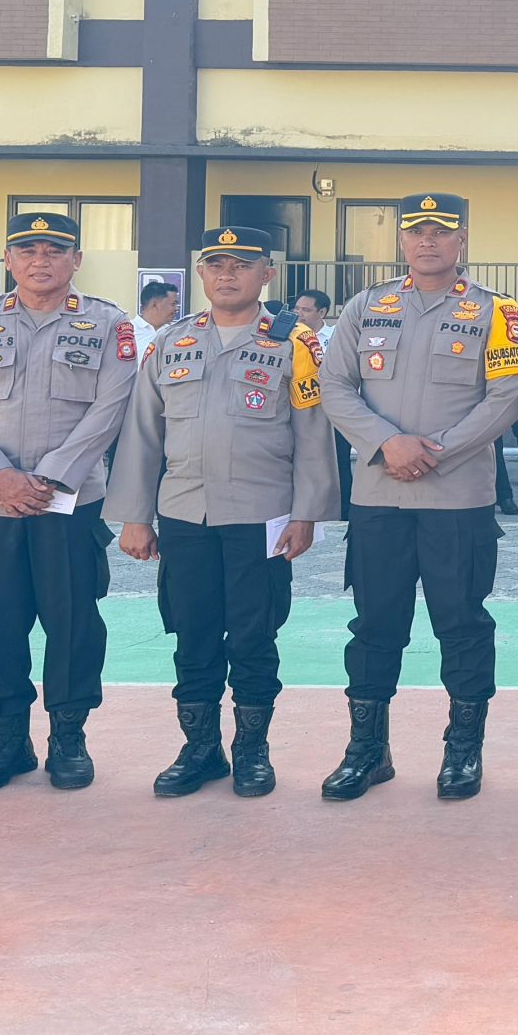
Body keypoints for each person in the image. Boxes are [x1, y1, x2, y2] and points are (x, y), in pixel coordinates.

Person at [316, 193, 518, 802]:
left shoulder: (497, 311)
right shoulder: (366, 306)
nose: (428, 241)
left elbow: (506, 397)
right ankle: (367, 750)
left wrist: (434, 451)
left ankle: (462, 750)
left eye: (440, 231)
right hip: (379, 494)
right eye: (417, 231)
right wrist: (386, 443)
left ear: (462, 239)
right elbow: (335, 384)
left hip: (456, 498)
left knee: (462, 625)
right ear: (403, 241)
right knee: (374, 625)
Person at [113, 226, 339, 798]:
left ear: (267, 273)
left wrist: (307, 513)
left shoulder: (295, 344)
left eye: (242, 264)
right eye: (216, 264)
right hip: (185, 515)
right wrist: (136, 515)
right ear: (201, 274)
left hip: (261, 516)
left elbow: (314, 433)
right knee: (192, 635)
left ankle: (252, 751)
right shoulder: (172, 341)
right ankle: (200, 749)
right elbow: (142, 434)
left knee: (254, 637)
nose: (228, 274)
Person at [0, 215, 137, 792]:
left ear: (77, 260)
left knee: (73, 621)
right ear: (7, 259)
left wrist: (49, 477)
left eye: (54, 250)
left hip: (66, 500)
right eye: (27, 250)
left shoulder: (108, 324)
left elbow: (111, 407)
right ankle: (7, 739)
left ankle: (68, 736)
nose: (40, 260)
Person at [289, 287, 351, 513]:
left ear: (322, 312)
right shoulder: (288, 336)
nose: (299, 314)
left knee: (338, 464)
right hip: (300, 410)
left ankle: (341, 512)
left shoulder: (337, 337)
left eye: (306, 310)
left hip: (333, 415)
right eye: (296, 309)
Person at [131, 280, 179, 361]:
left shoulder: (176, 332)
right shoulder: (127, 332)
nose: (176, 308)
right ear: (155, 304)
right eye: (173, 304)